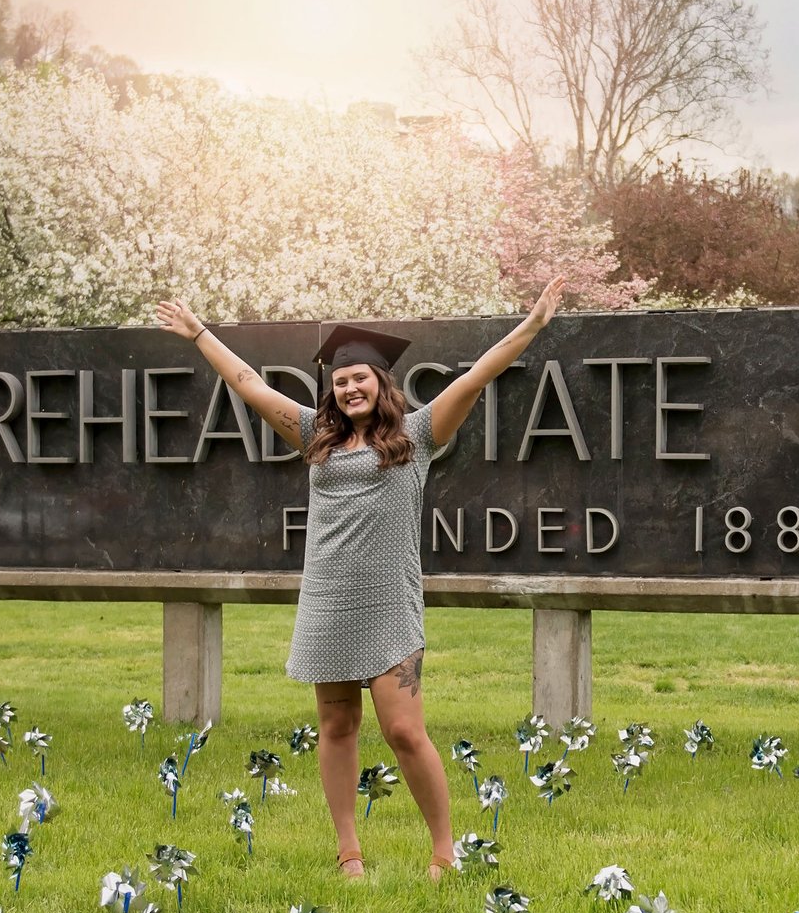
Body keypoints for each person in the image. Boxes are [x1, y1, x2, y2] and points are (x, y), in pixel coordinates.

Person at [154, 278, 567, 880]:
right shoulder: (314, 439)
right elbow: (250, 387)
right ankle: (349, 853)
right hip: (327, 603)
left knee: (404, 730)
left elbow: (475, 376)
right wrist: (199, 334)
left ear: (381, 383)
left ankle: (444, 851)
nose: (349, 388)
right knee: (338, 725)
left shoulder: (418, 437)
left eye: (359, 378)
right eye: (340, 381)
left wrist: (530, 328)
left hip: (392, 607)